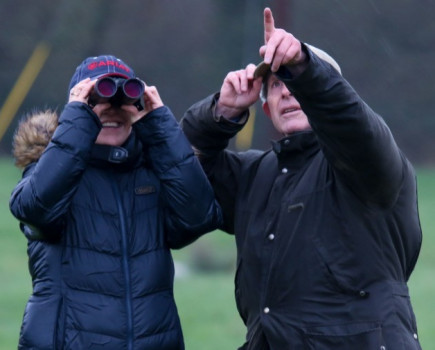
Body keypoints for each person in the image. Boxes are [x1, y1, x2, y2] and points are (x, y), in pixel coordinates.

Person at [181, 7, 423, 350]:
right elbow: (183, 174)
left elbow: (350, 122)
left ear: (329, 93)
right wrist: (219, 113)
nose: (287, 91)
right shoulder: (255, 176)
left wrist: (304, 69)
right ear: (267, 110)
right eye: (276, 85)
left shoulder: (366, 160)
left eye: (296, 81)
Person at [9, 55, 222, 349]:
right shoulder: (50, 171)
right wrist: (79, 122)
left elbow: (199, 216)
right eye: (97, 99)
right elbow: (33, 209)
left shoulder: (152, 172)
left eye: (124, 99)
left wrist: (158, 125)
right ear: (78, 107)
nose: (112, 110)